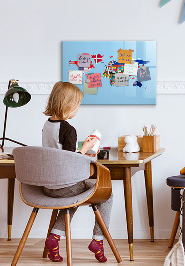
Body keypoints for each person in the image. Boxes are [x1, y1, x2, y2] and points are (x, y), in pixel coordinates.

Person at [42, 81, 112, 263]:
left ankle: (54, 238)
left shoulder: (47, 125)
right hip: (65, 186)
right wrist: (86, 149)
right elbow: (69, 161)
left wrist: (81, 149)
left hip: (48, 186)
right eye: (78, 105)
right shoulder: (68, 129)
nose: (78, 109)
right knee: (107, 194)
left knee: (73, 198)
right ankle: (98, 240)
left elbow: (59, 154)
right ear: (68, 105)